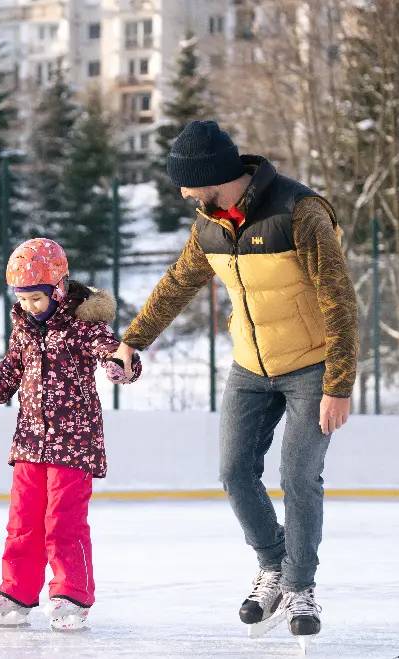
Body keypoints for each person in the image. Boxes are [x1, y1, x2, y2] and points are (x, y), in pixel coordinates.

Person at [112, 120, 359, 645]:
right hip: (250, 366)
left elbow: (339, 299)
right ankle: (273, 566)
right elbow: (179, 283)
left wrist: (339, 384)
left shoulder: (300, 211)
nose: (182, 193)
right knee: (233, 471)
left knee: (298, 476)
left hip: (311, 366)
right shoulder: (209, 224)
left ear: (212, 176)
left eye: (186, 183)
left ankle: (299, 587)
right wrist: (134, 339)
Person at [0, 238, 142, 632]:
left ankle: (71, 595)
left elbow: (114, 350)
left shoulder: (84, 325)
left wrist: (121, 366)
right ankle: (17, 592)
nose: (29, 306)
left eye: (37, 298)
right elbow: (10, 371)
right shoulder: (24, 331)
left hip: (74, 443)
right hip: (29, 442)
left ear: (58, 289)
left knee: (62, 522)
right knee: (23, 521)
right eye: (23, 298)